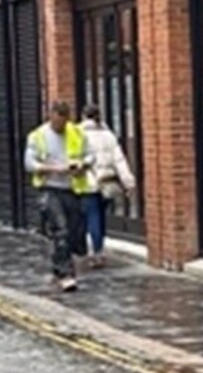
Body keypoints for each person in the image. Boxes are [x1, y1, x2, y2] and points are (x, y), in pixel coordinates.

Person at [25, 101, 92, 292]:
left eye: (64, 122)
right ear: (51, 116)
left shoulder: (77, 133)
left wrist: (82, 165)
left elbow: (90, 155)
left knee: (73, 233)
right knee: (61, 230)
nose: (61, 126)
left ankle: (58, 266)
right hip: (50, 188)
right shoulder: (38, 136)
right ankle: (66, 274)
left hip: (72, 188)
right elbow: (29, 163)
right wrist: (53, 169)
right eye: (58, 122)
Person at [79, 104, 136, 268]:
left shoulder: (79, 134)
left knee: (92, 216)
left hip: (88, 182)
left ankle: (95, 252)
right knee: (101, 217)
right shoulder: (109, 135)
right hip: (108, 182)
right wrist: (128, 182)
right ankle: (100, 249)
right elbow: (119, 160)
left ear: (83, 116)